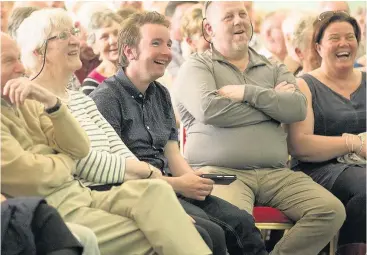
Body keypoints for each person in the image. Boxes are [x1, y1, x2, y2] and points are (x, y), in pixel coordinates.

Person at [14, 8, 221, 255]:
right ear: (39, 52)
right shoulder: (36, 103)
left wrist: (151, 179)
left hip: (121, 189)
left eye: (74, 32)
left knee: (207, 229)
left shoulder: (79, 99)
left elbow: (118, 149)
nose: (75, 40)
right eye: (62, 36)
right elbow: (81, 160)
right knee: (199, 234)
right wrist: (146, 173)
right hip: (94, 192)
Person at [173, 2, 346, 255]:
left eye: (243, 14)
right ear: (209, 29)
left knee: (330, 210)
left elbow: (297, 108)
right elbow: (210, 110)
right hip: (221, 172)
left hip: (276, 173)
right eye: (228, 16)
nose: (238, 21)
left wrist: (247, 93)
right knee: (235, 222)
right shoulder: (198, 66)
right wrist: (272, 105)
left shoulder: (272, 66)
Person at [91, 11, 268, 255]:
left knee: (243, 223)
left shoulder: (161, 94)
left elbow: (172, 153)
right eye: (156, 43)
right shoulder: (105, 99)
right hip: (139, 194)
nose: (166, 52)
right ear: (130, 52)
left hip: (170, 186)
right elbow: (115, 172)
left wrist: (192, 181)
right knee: (213, 233)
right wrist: (179, 184)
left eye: (168, 44)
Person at [287, 11, 366, 254]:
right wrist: (353, 143)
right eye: (334, 38)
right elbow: (300, 146)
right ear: (319, 47)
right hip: (319, 169)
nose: (344, 43)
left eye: (350, 37)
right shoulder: (304, 85)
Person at [81, 10, 121, 95]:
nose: (113, 41)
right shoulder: (92, 85)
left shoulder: (143, 71)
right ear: (94, 47)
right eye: (104, 37)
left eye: (117, 33)